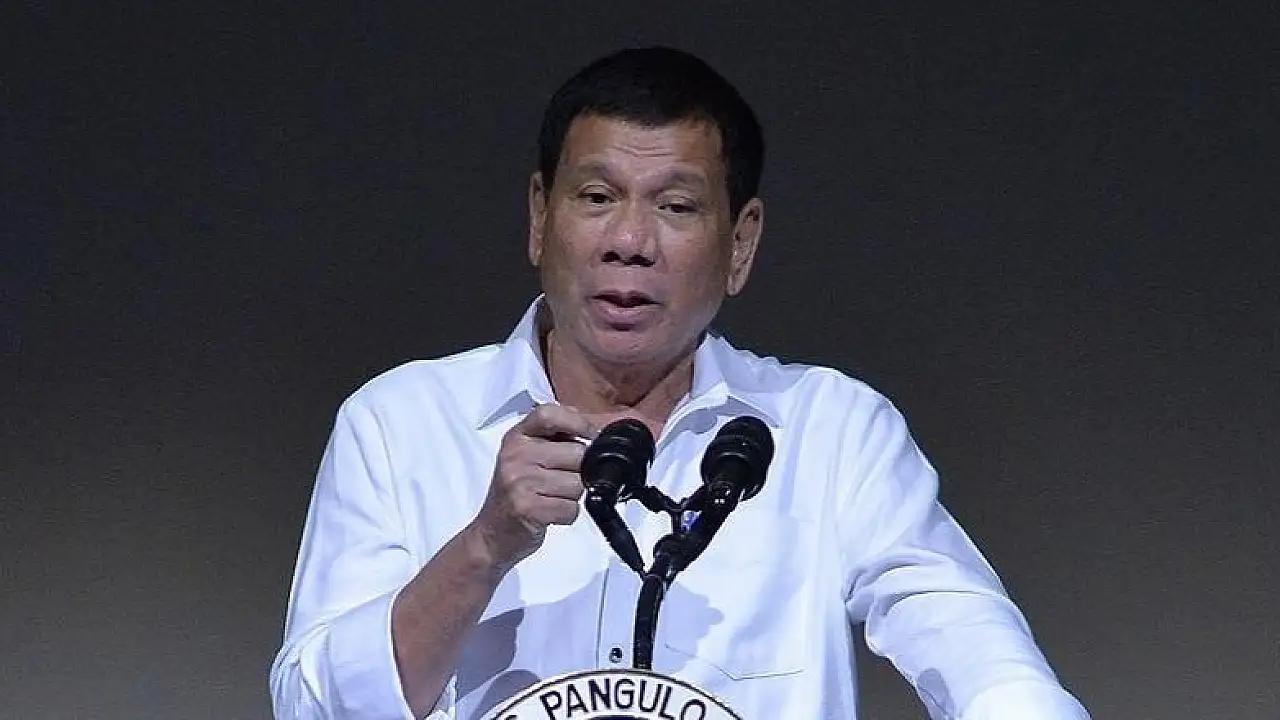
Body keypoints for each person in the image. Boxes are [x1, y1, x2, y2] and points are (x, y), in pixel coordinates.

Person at [268, 47, 1090, 720]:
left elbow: (972, 645)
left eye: (677, 207)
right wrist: (483, 547)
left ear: (741, 243)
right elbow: (316, 709)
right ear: (539, 216)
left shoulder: (832, 432)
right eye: (597, 197)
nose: (629, 240)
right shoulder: (401, 423)